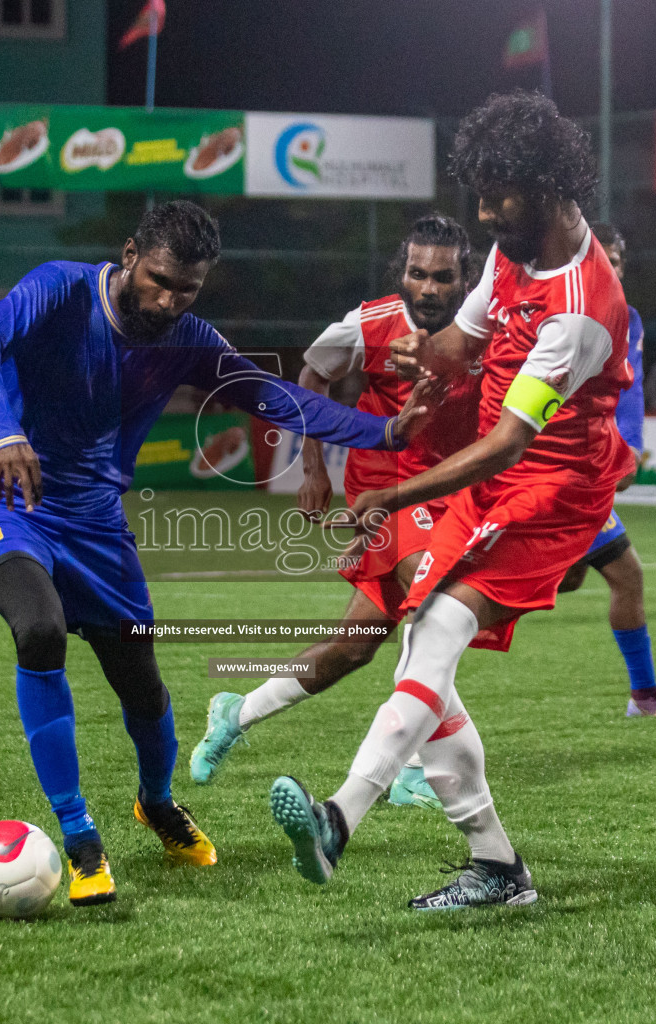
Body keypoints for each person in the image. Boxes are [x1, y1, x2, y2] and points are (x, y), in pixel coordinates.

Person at [0, 200, 435, 908]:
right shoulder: (59, 289)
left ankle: (156, 801)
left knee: (142, 686)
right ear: (129, 254)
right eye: (159, 280)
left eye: (187, 289)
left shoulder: (189, 338)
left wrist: (383, 432)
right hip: (3, 497)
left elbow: (272, 396)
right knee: (40, 628)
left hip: (96, 526)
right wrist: (0, 433)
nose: (168, 300)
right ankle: (79, 833)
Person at [267, 91, 636, 910]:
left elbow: (509, 441)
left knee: (431, 631)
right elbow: (459, 344)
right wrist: (414, 356)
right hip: (494, 481)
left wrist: (391, 489)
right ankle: (497, 868)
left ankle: (339, 819)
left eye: (495, 192)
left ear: (540, 185)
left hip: (551, 489)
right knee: (421, 661)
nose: (481, 209)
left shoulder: (579, 309)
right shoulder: (514, 249)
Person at [189, 213, 483, 808]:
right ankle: (411, 766)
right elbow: (312, 376)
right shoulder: (367, 325)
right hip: (388, 486)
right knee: (437, 604)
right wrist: (314, 468)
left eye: (442, 277)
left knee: (353, 646)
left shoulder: (485, 328)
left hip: (451, 492)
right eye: (416, 273)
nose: (427, 287)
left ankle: (235, 712)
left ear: (464, 279)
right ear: (401, 273)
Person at [556, 224, 656, 718]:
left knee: (582, 579)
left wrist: (631, 445)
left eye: (618, 261)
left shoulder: (629, 318)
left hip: (588, 468)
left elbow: (630, 389)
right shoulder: (565, 313)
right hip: (556, 468)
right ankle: (446, 624)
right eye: (605, 259)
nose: (612, 269)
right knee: (623, 575)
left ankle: (644, 695)